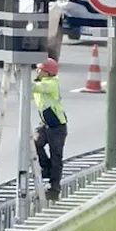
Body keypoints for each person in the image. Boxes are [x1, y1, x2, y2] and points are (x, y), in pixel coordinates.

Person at [33, 57, 68, 201]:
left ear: (47, 72)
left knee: (56, 156)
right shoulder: (40, 82)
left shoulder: (52, 83)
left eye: (40, 69)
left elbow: (36, 88)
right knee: (34, 144)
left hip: (57, 126)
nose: (37, 70)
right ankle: (45, 168)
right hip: (45, 124)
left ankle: (54, 188)